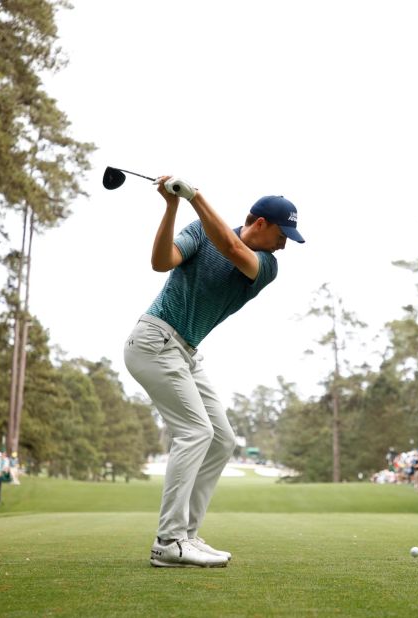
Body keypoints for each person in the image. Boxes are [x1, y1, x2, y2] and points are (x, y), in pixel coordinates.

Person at [125, 177, 304, 568]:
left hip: (186, 352)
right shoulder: (200, 233)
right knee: (195, 432)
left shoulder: (266, 266)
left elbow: (230, 245)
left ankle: (186, 534)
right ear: (259, 222)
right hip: (154, 341)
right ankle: (168, 542)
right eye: (282, 232)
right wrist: (172, 206)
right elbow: (160, 262)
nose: (285, 242)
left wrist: (195, 196)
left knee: (222, 439)